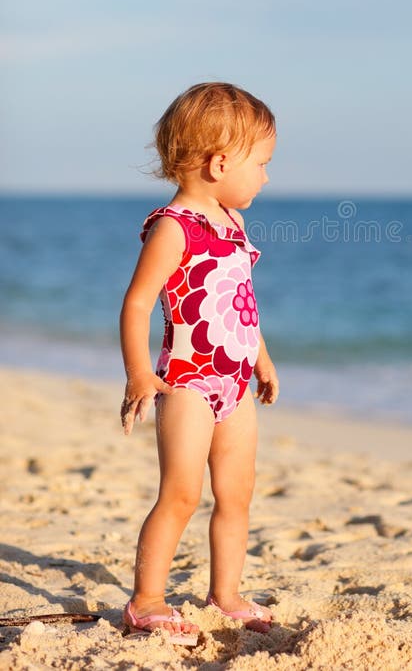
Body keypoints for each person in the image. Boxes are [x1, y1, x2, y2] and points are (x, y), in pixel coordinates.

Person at [119, 82, 279, 645]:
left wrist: (261, 358)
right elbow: (138, 302)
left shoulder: (233, 224)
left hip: (234, 383)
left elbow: (240, 301)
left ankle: (226, 594)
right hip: (186, 382)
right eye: (261, 164)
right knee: (182, 492)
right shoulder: (174, 227)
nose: (265, 176)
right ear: (219, 163)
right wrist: (141, 373)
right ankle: (146, 601)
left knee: (236, 495)